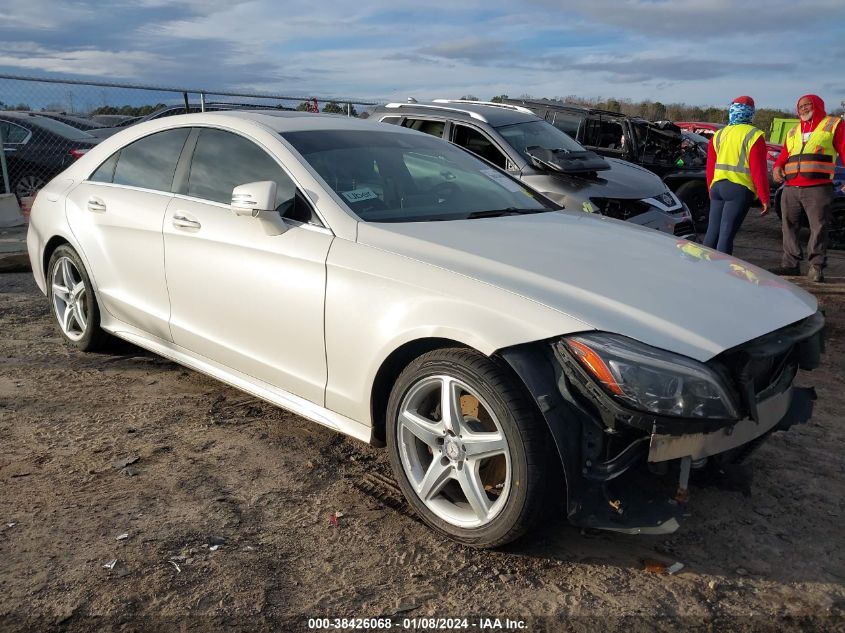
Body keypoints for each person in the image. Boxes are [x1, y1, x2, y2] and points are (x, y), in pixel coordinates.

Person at [770, 94, 845, 282]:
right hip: (791, 187)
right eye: (800, 106)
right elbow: (785, 153)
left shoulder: (833, 125)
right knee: (788, 227)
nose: (803, 109)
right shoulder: (794, 130)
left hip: (818, 188)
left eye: (807, 105)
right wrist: (778, 166)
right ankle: (790, 265)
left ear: (817, 105)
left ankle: (816, 267)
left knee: (818, 228)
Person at [703, 96, 769, 254]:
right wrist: (764, 197)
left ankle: (703, 269)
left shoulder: (719, 134)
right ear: (751, 113)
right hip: (738, 189)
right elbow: (758, 170)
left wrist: (710, 189)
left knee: (712, 233)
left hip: (717, 188)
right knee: (726, 234)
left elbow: (710, 168)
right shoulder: (754, 135)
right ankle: (722, 273)